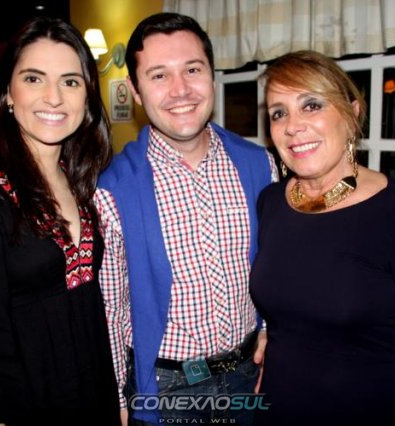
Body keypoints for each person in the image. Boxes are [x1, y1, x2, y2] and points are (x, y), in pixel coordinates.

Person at [0, 17, 120, 425]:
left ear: (87, 97)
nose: (54, 97)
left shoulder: (81, 184)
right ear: (8, 94)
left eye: (70, 82)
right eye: (34, 78)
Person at [94, 12, 278, 425]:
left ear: (211, 76)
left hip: (249, 374)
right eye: (159, 75)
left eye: (193, 70)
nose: (180, 90)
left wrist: (270, 328)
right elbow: (110, 311)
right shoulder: (113, 191)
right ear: (135, 91)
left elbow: (274, 261)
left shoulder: (259, 164)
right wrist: (119, 398)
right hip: (167, 388)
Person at [250, 50, 395, 425]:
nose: (292, 126)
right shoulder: (270, 203)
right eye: (279, 113)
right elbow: (287, 307)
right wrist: (265, 334)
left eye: (311, 105)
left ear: (352, 114)